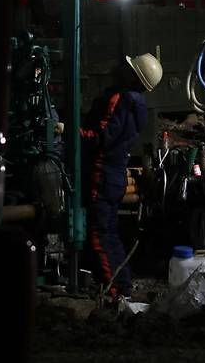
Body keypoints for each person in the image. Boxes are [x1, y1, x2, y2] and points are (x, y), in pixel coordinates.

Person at [81, 53, 163, 298]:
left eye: (128, 69)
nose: (120, 70)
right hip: (114, 174)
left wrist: (72, 132)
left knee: (98, 234)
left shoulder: (120, 100)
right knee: (108, 233)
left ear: (134, 77)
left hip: (102, 174)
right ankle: (121, 285)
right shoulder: (137, 105)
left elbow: (100, 136)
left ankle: (115, 289)